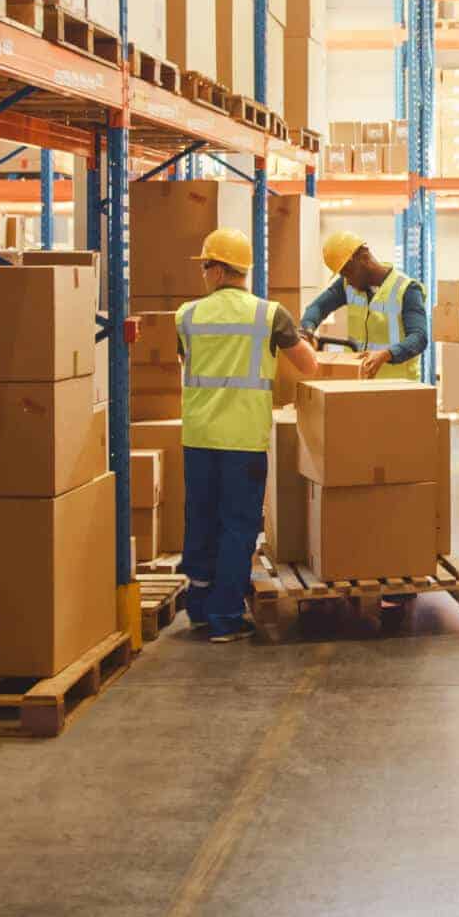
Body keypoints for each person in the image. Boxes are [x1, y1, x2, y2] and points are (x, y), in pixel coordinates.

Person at [176, 227, 319, 642]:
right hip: (242, 441)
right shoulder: (270, 314)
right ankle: (224, 619)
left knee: (200, 519)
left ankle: (200, 610)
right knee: (237, 526)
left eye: (205, 266)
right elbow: (308, 366)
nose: (203, 274)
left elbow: (187, 360)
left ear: (220, 270)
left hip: (199, 437)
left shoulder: (186, 315)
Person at [299, 229, 429, 380]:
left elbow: (419, 338)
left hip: (398, 386)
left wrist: (387, 354)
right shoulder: (347, 284)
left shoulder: (407, 289)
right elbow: (318, 307)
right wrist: (307, 330)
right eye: (342, 274)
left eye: (348, 271)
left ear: (364, 256)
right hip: (359, 382)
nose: (348, 279)